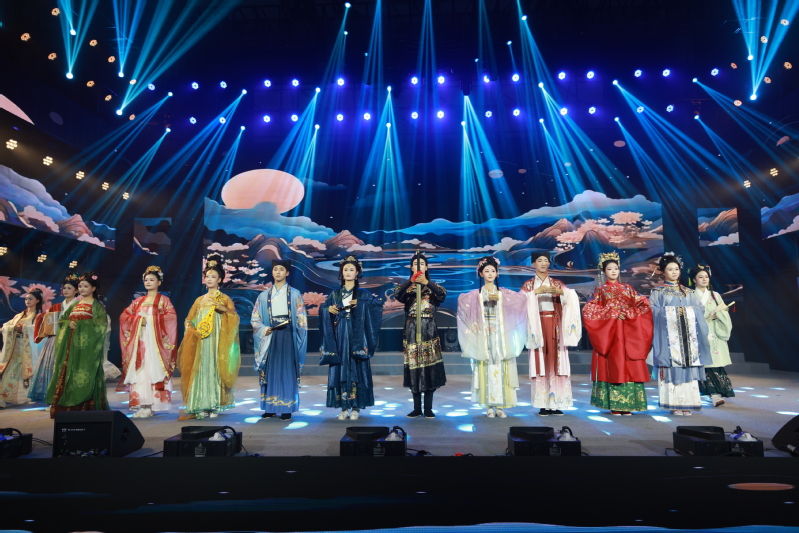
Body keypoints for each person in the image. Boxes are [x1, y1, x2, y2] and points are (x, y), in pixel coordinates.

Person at [582, 252, 653, 415]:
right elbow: (589, 310)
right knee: (614, 365)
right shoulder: (600, 290)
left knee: (630, 365)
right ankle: (614, 403)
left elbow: (644, 305)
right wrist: (613, 313)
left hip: (628, 332)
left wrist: (628, 313)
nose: (613, 271)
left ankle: (630, 404)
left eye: (616, 268)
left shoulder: (628, 289)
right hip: (611, 334)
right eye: (609, 269)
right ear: (603, 272)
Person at [457, 256, 527, 418]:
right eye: (486, 271)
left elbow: (522, 300)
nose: (490, 273)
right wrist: (475, 325)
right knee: (485, 368)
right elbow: (462, 305)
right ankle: (488, 405)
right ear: (480, 273)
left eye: (493, 271)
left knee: (502, 367)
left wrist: (501, 299)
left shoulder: (504, 293)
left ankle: (501, 405)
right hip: (484, 336)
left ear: (497, 273)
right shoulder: (474, 295)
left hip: (500, 335)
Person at [177, 254, 241, 420]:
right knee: (201, 368)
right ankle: (200, 404)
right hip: (201, 341)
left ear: (220, 279)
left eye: (213, 277)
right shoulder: (199, 300)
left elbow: (235, 318)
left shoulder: (224, 299)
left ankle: (214, 404)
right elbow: (189, 320)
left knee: (214, 367)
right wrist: (191, 329)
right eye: (207, 276)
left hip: (217, 341)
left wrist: (223, 310)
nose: (209, 279)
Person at [320, 256, 383, 420]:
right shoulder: (335, 294)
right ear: (341, 273)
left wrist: (361, 304)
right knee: (340, 367)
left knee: (357, 368)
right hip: (340, 335)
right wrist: (327, 310)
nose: (348, 272)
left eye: (351, 269)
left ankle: (356, 406)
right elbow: (323, 309)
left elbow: (377, 306)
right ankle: (343, 406)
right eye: (345, 269)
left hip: (357, 335)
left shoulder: (363, 294)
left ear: (357, 273)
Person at [649, 253, 712, 416]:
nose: (674, 272)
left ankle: (688, 403)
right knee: (672, 369)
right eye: (670, 269)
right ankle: (673, 404)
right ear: (663, 272)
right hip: (668, 339)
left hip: (688, 339)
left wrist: (686, 312)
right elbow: (651, 311)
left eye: (676, 269)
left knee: (688, 369)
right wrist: (672, 312)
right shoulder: (658, 292)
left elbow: (699, 309)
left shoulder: (688, 292)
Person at [521, 252, 582, 416]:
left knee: (556, 364)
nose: (543, 263)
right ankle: (542, 403)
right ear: (533, 264)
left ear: (549, 264)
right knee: (541, 363)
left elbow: (571, 297)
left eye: (546, 260)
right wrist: (535, 292)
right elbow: (519, 302)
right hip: (537, 327)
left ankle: (556, 402)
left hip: (555, 325)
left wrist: (562, 293)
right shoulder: (528, 285)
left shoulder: (557, 283)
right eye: (539, 260)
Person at [117, 266, 178, 418]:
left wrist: (150, 320)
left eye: (152, 279)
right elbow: (124, 316)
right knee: (140, 371)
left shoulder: (164, 300)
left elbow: (171, 317)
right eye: (146, 280)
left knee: (153, 370)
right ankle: (142, 404)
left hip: (155, 343)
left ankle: (152, 405)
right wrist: (138, 321)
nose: (148, 282)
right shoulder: (138, 301)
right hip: (140, 341)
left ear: (159, 282)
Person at [46, 272, 109, 418]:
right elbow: (62, 321)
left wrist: (80, 325)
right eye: (80, 286)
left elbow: (101, 325)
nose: (81, 289)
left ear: (93, 288)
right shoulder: (75, 305)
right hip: (70, 347)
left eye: (85, 286)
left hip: (85, 349)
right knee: (67, 372)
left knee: (84, 375)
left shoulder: (97, 306)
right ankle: (66, 409)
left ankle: (85, 408)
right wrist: (68, 323)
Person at [252, 260, 308, 421]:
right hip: (270, 334)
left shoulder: (295, 294)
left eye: (281, 269)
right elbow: (255, 317)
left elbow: (301, 318)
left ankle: (286, 407)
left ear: (287, 273)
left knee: (287, 370)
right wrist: (264, 328)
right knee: (270, 370)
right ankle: (270, 408)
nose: (277, 272)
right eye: (275, 269)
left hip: (288, 334)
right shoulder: (263, 296)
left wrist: (298, 332)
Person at [393, 251, 447, 418]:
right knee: (414, 365)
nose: (419, 267)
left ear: (426, 267)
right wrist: (411, 281)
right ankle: (417, 408)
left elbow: (442, 295)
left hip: (428, 328)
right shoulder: (407, 288)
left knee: (429, 366)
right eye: (416, 264)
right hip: (411, 328)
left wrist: (426, 283)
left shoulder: (434, 286)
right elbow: (397, 294)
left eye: (422, 264)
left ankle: (428, 408)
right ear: (411, 268)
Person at [28, 274, 79, 403]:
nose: (65, 290)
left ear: (76, 291)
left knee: (66, 367)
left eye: (69, 288)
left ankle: (67, 396)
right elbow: (42, 318)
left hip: (70, 339)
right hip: (54, 339)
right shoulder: (56, 307)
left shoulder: (79, 306)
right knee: (52, 366)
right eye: (64, 288)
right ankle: (52, 395)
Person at [690, 264, 734, 407]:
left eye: (706, 277)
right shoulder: (690, 296)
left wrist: (719, 313)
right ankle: (712, 394)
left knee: (715, 364)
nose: (704, 279)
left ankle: (715, 394)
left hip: (714, 332)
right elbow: (689, 316)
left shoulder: (716, 295)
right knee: (705, 365)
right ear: (694, 280)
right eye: (700, 277)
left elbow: (724, 313)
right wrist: (706, 317)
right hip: (699, 334)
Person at [0, 288, 43, 407]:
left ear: (37, 300)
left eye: (30, 299)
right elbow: (6, 325)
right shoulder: (19, 315)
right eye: (26, 299)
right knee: (9, 371)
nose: (27, 301)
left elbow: (38, 330)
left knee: (24, 373)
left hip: (27, 349)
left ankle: (22, 397)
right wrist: (10, 328)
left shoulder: (39, 316)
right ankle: (5, 397)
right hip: (14, 347)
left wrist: (23, 328)